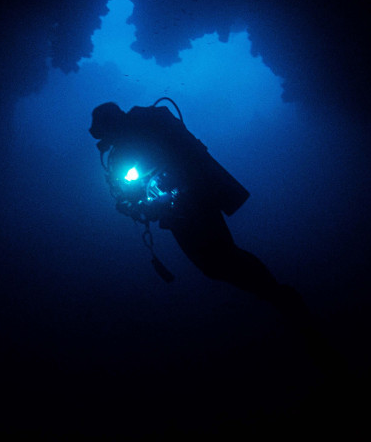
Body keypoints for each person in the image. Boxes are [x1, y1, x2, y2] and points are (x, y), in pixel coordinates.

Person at [89, 99, 314, 323]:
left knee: (223, 256)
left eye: (104, 133)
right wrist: (134, 205)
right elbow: (129, 192)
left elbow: (182, 160)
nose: (106, 141)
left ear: (113, 124)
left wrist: (164, 193)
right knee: (213, 265)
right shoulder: (123, 148)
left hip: (194, 201)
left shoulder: (146, 129)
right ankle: (276, 295)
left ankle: (278, 295)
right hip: (176, 213)